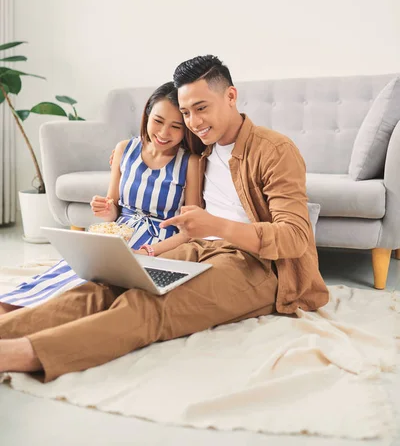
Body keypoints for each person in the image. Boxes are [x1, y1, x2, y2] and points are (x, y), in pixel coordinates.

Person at [0, 55, 329, 380]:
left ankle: (19, 354)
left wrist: (215, 226)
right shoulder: (203, 149)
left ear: (231, 96)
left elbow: (295, 237)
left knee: (148, 306)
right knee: (106, 286)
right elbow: (157, 149)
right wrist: (126, 155)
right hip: (198, 248)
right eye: (186, 112)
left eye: (201, 108)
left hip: (255, 263)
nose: (194, 121)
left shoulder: (275, 150)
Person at [0, 82, 203, 314]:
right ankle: (12, 306)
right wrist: (106, 211)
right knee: (65, 272)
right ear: (146, 115)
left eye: (176, 126)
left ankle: (35, 316)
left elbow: (190, 230)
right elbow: (114, 208)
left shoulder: (190, 163)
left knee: (92, 289)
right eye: (158, 121)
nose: (164, 133)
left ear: (186, 128)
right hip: (118, 238)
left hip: (159, 246)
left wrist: (148, 251)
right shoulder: (124, 149)